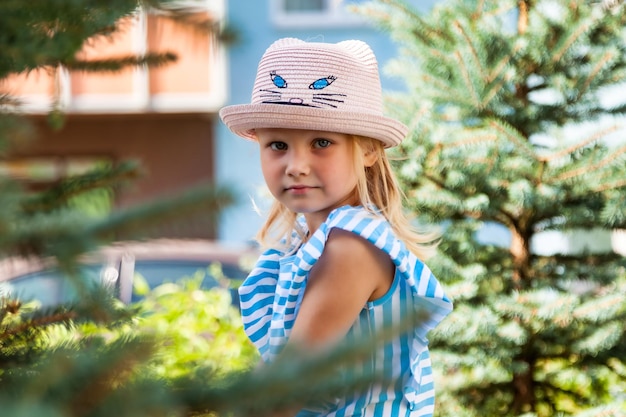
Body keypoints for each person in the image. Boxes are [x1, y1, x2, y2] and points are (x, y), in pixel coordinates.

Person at [219, 38, 453, 417]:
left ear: (368, 149)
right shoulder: (311, 245)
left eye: (321, 142)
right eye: (278, 145)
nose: (296, 165)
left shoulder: (351, 248)